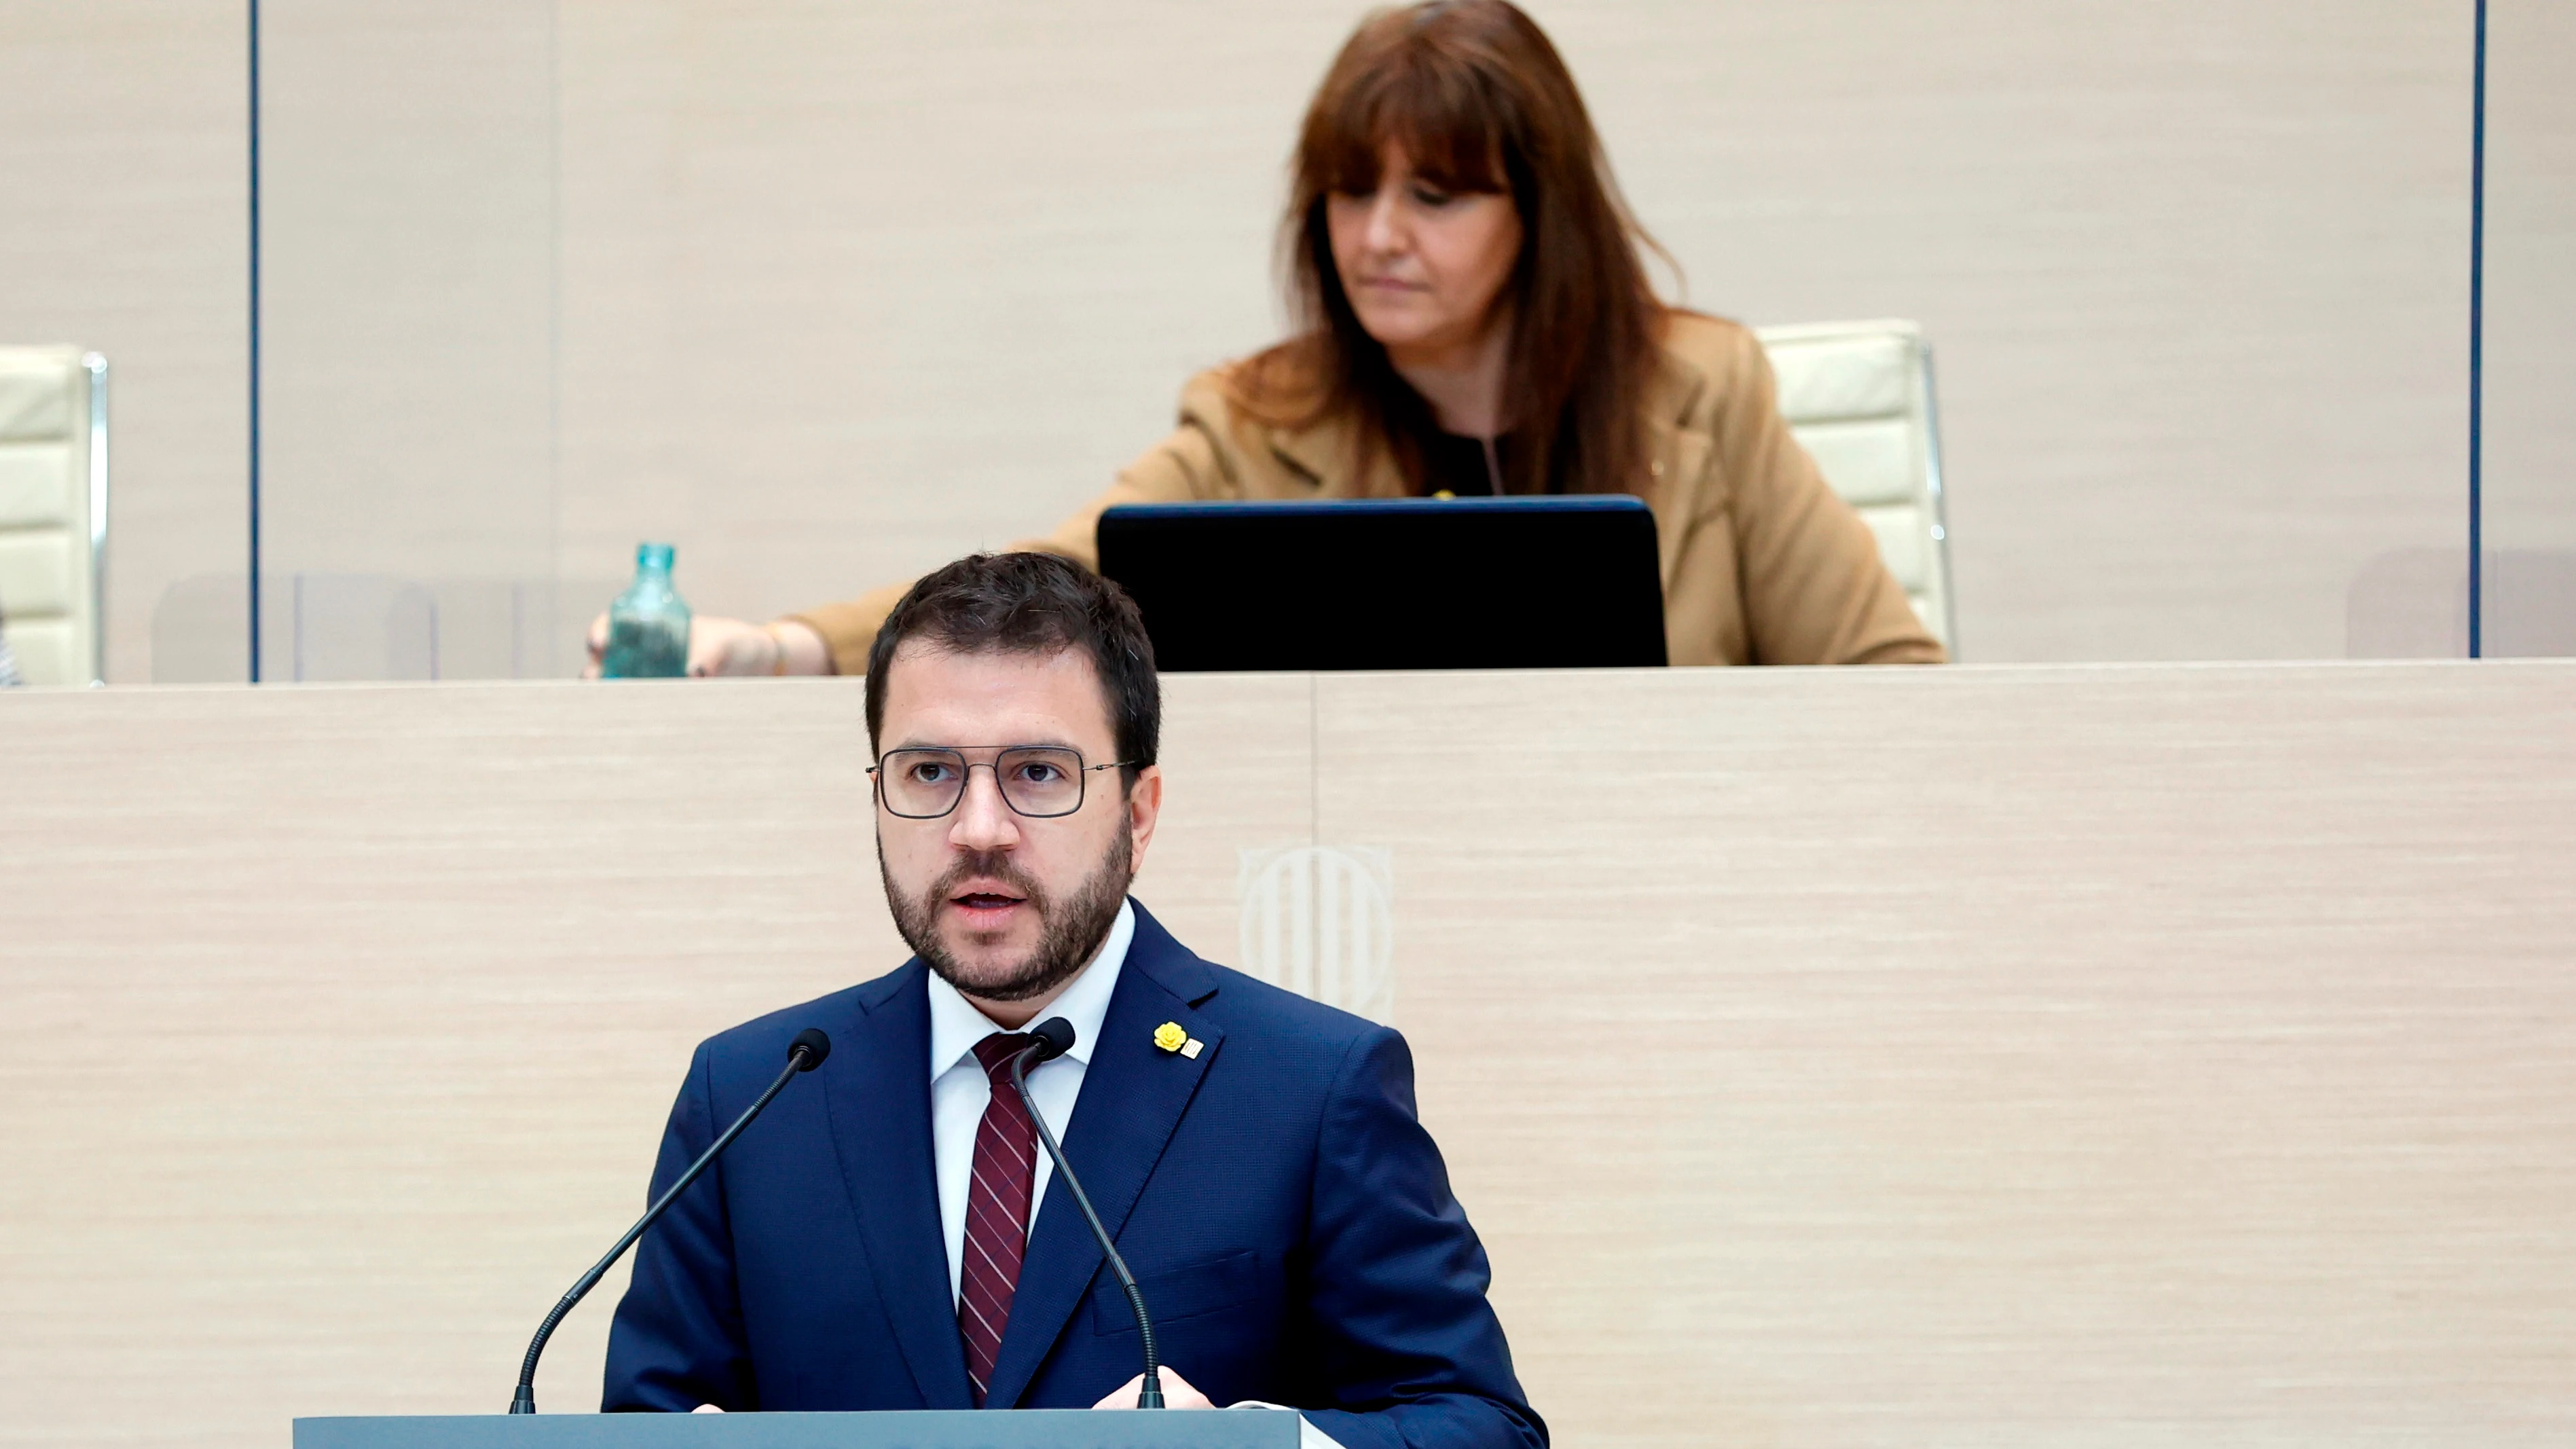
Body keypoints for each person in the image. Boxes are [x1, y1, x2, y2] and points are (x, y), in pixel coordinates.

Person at [595, 0, 1941, 677]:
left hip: (1666, 898)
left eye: (1437, 193)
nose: (1379, 237)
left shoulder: (1704, 393)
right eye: (1353, 191)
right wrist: (791, 646)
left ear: (1543, 214)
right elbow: (1035, 587)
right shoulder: (1255, 420)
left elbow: (1892, 684)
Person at [602, 551, 1543, 1449]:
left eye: (1038, 774)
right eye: (929, 772)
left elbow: (1477, 1421)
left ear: (1138, 813)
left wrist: (1259, 1442)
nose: (978, 830)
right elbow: (647, 1421)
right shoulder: (754, 1096)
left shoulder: (1310, 1086)